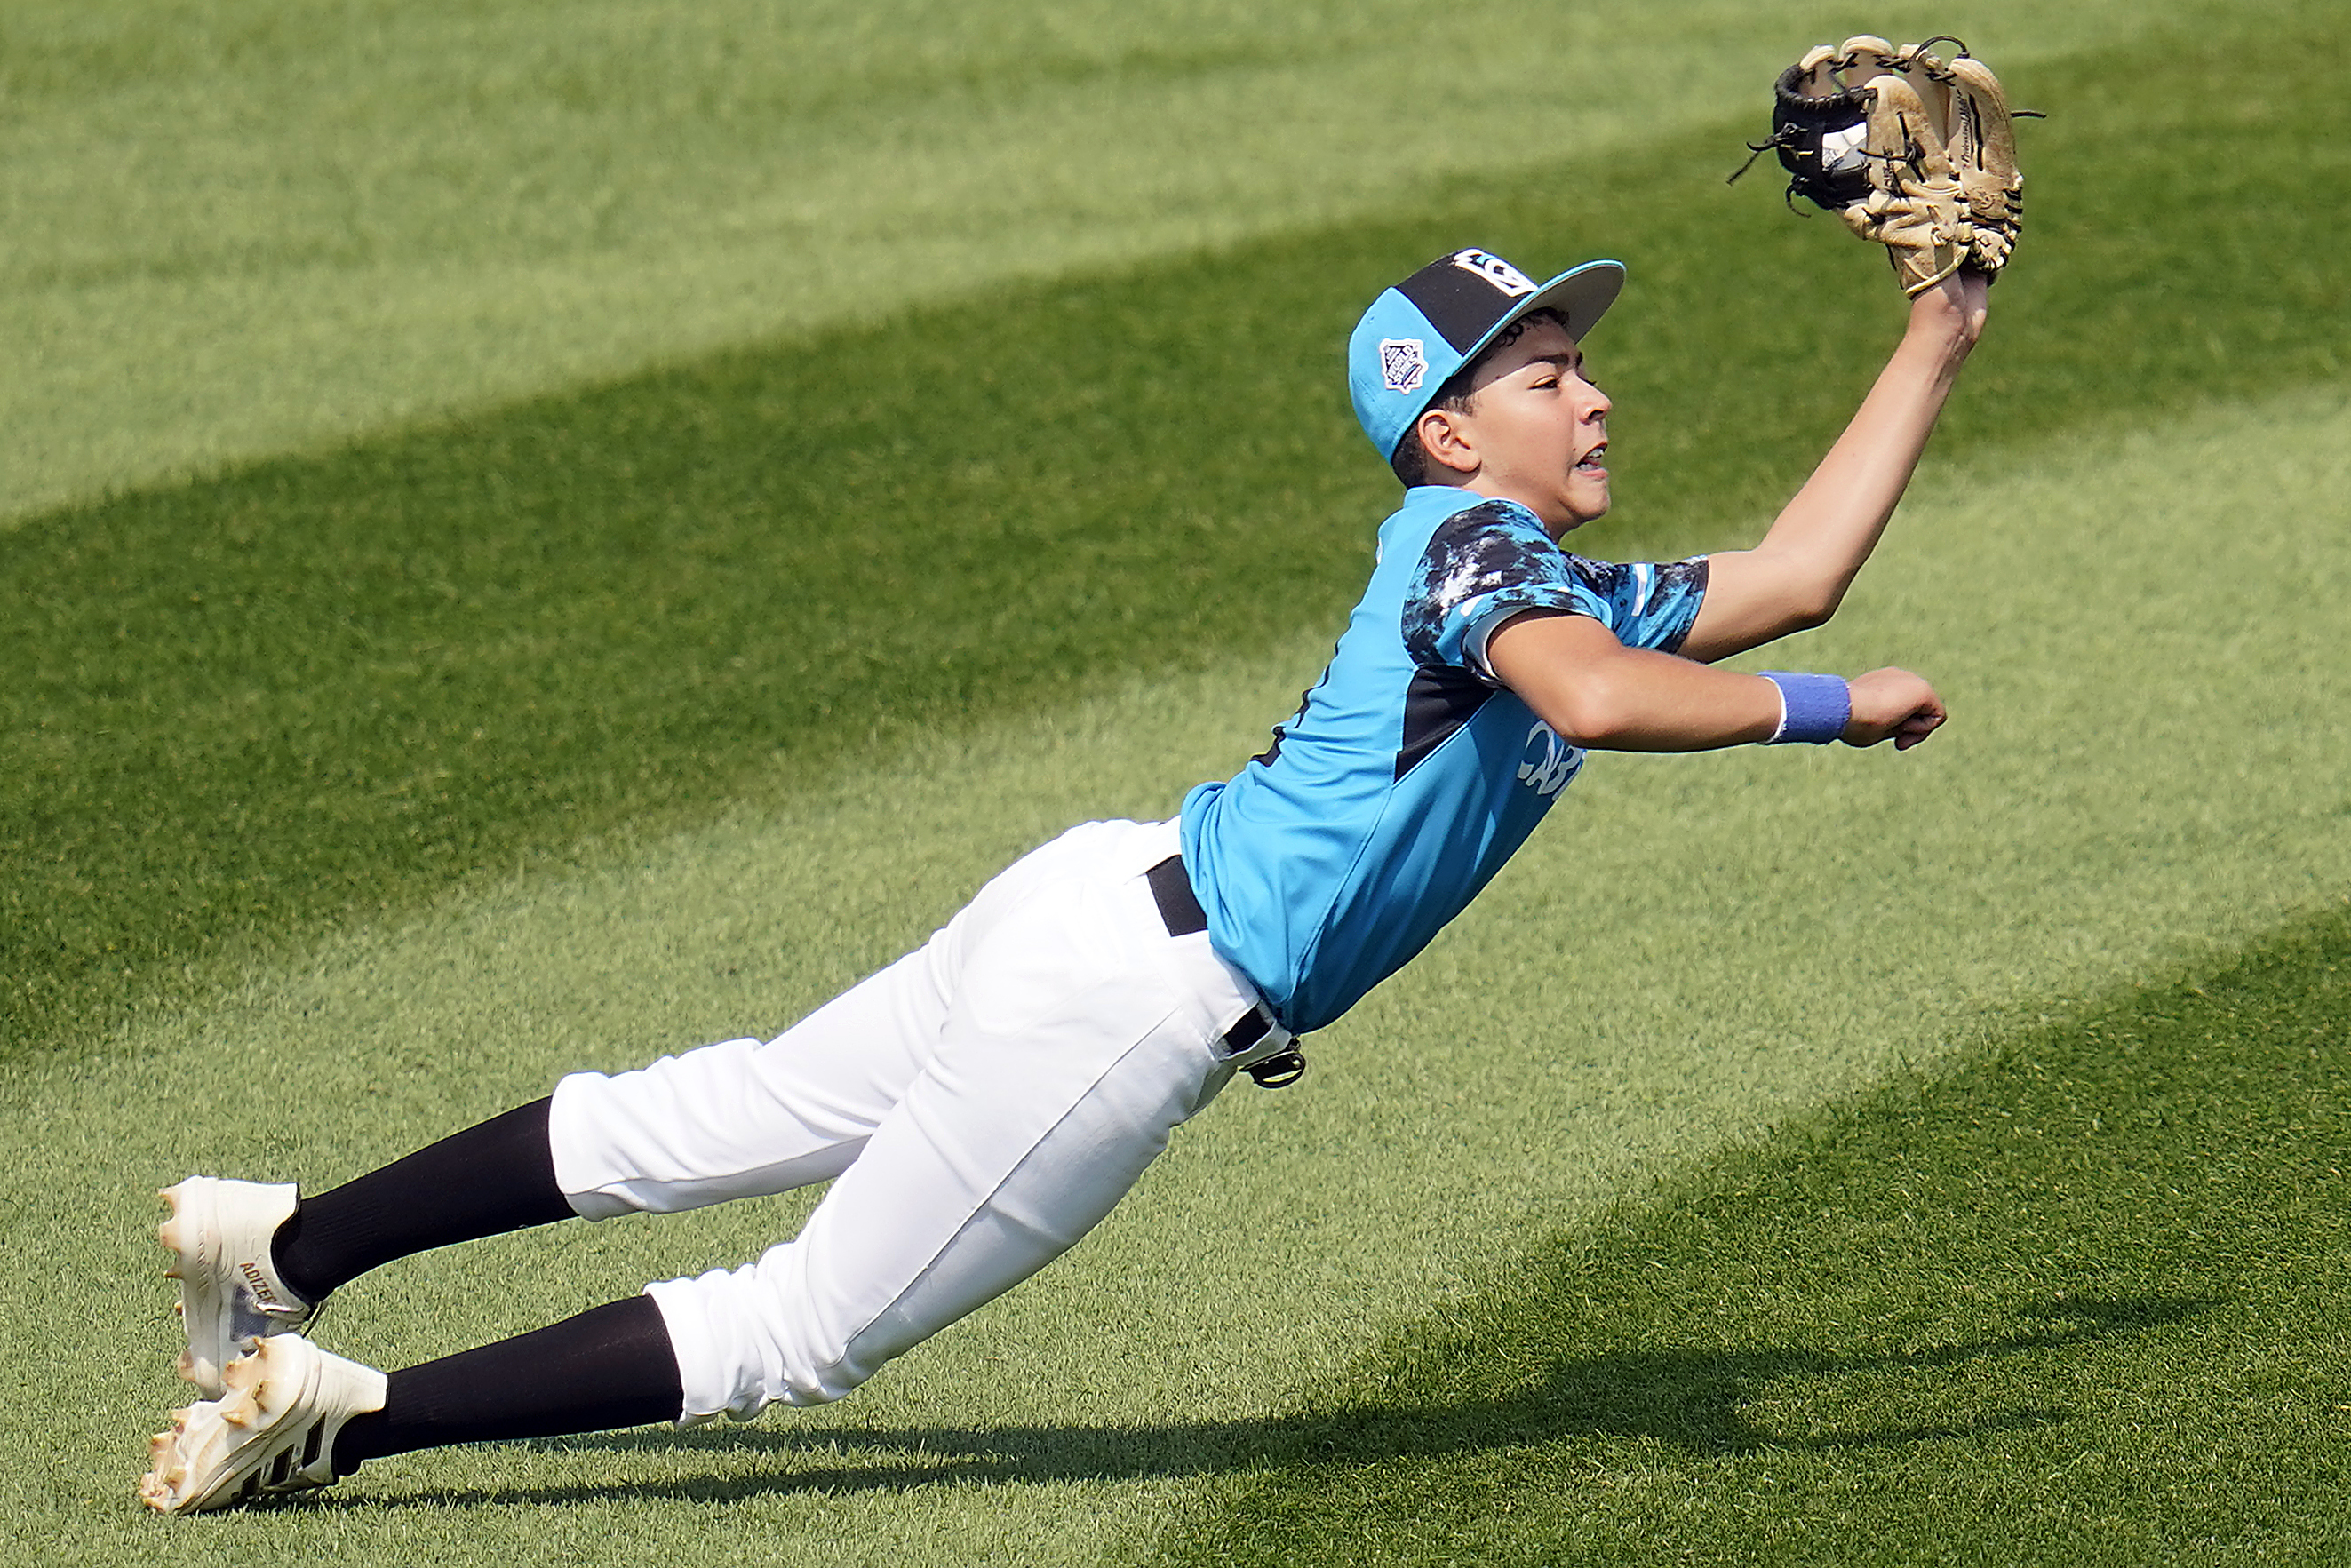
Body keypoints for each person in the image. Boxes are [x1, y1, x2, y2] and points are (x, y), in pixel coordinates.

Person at [140, 245, 1984, 1512]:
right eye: (1550, 372)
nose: (1595, 396)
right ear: (1448, 429)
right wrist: (1823, 711)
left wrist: (1938, 334)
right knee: (801, 1328)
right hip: (1132, 998)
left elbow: (1795, 567)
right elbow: (1601, 694)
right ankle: (348, 1421)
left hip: (1096, 895)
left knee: (711, 1111)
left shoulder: (1547, 572)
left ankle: (286, 1244)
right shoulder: (1468, 542)